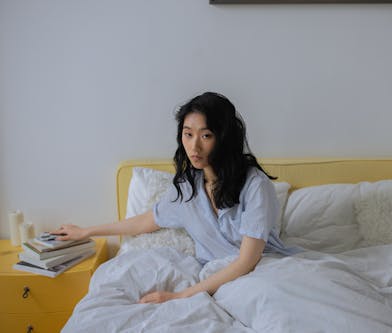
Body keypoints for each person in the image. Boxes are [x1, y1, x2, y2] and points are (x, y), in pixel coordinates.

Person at [51, 92, 300, 304]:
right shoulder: (187, 188)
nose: (194, 147)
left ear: (224, 138)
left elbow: (247, 261)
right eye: (188, 134)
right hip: (214, 278)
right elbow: (145, 221)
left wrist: (180, 297)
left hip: (262, 272)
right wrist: (86, 232)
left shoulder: (255, 185)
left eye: (206, 135)